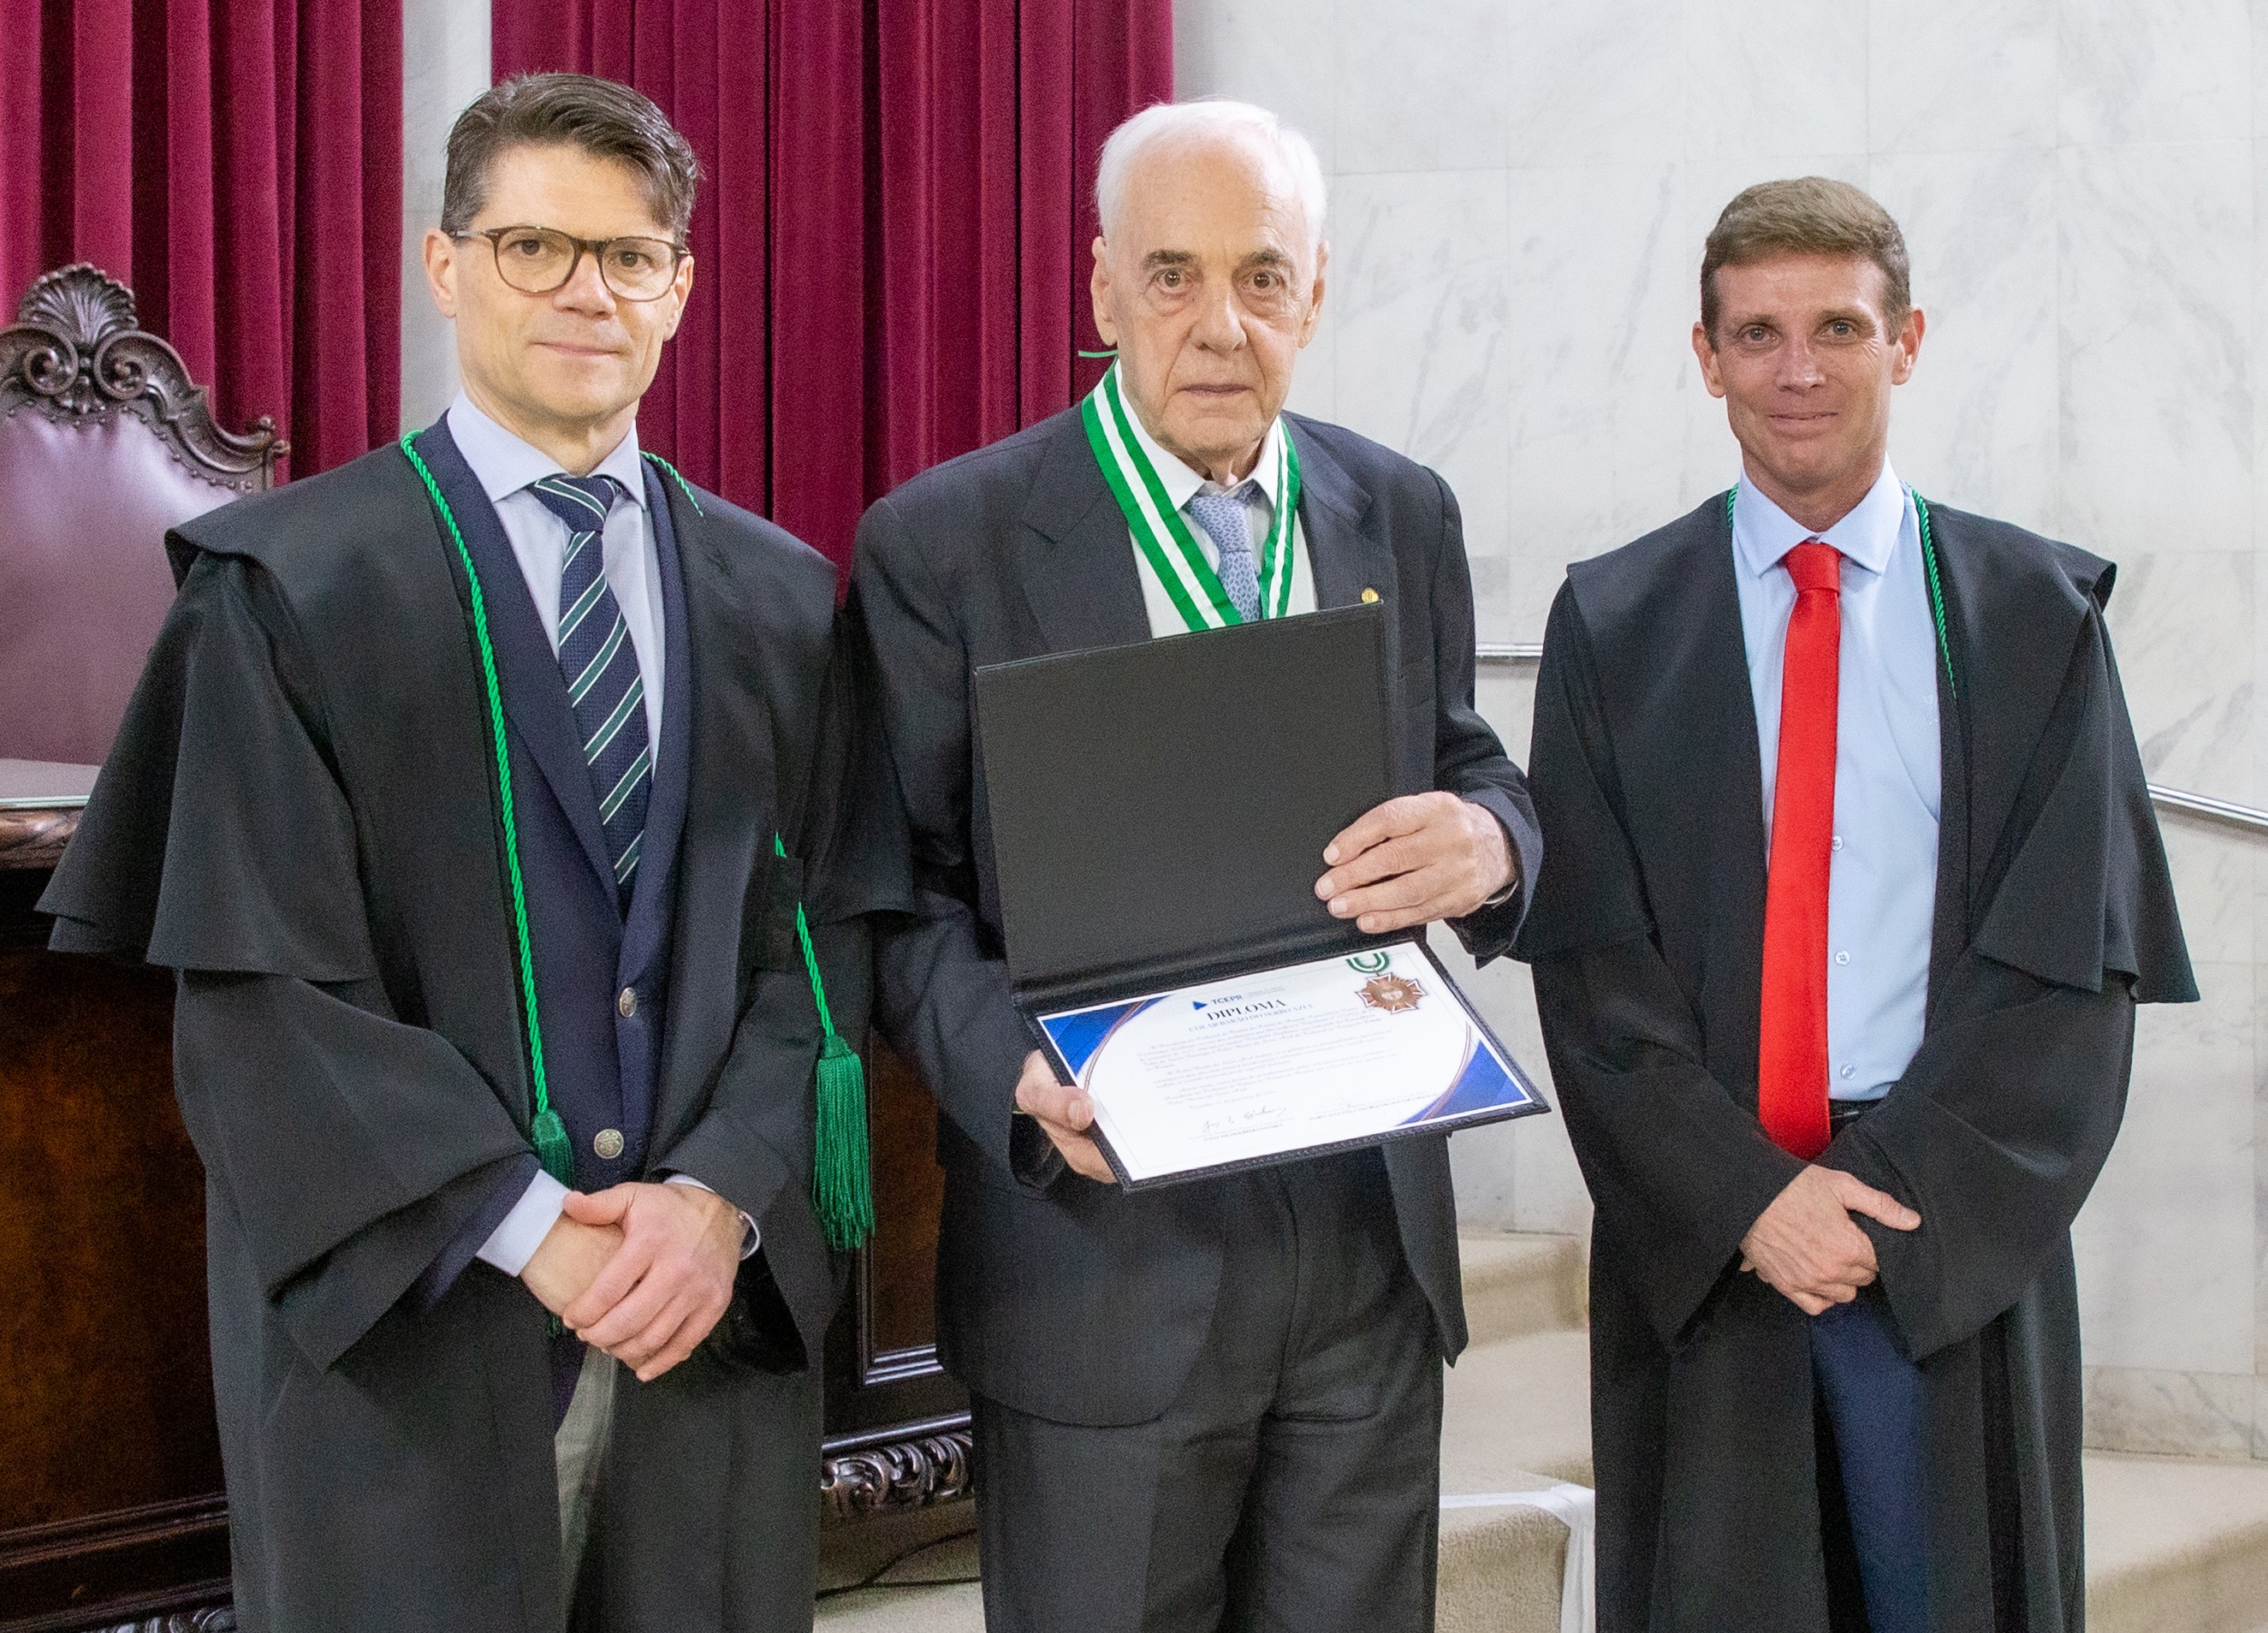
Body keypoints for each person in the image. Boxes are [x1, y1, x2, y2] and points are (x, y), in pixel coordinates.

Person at [40, 72, 900, 1633]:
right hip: (411, 1332)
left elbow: (822, 950)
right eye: (532, 247)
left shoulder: (778, 598)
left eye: (629, 256)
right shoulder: (287, 591)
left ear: (681, 288)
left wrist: (718, 1195)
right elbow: (259, 999)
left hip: (699, 1325)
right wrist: (522, 1229)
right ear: (445, 267)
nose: (586, 290)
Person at [852, 98, 1539, 1632]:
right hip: (1104, 1254)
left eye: (1262, 277)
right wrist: (1014, 1077)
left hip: (1365, 1247)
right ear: (1099, 291)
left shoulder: (1396, 508)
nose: (1219, 326)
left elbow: (1464, 761)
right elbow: (890, 898)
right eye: (1171, 276)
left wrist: (1492, 838)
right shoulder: (946, 542)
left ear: (1316, 290)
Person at [1518, 175, 2195, 1633]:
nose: (1798, 369)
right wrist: (1747, 1198)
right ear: (1703, 358)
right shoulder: (1615, 624)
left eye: (1838, 325)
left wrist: (1893, 1211)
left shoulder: (2031, 617)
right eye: (1754, 334)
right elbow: (1591, 976)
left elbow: (2068, 964)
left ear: (1908, 340)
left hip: (1938, 1236)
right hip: (1710, 1234)